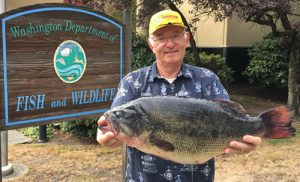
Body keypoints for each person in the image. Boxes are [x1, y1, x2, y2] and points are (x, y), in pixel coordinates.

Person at [97, 9, 262, 182]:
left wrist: (247, 136)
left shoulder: (207, 79)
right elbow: (110, 120)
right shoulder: (133, 82)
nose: (170, 44)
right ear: (151, 44)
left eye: (176, 35)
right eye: (161, 37)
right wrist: (105, 134)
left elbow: (229, 119)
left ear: (186, 39)